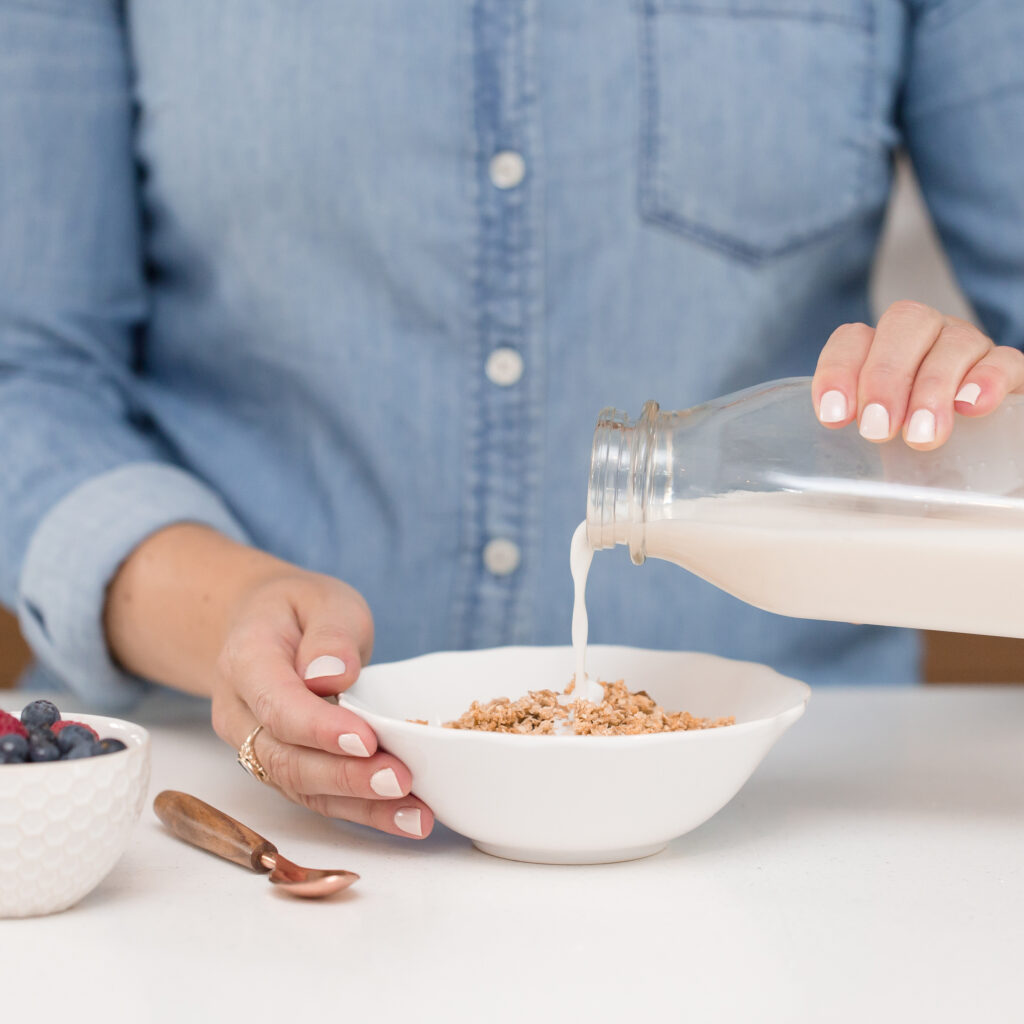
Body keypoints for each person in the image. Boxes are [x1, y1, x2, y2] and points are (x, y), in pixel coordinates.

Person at [2, 1, 1022, 839]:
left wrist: (962, 415)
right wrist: (229, 609)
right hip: (220, 812)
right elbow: (27, 375)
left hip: (807, 820)